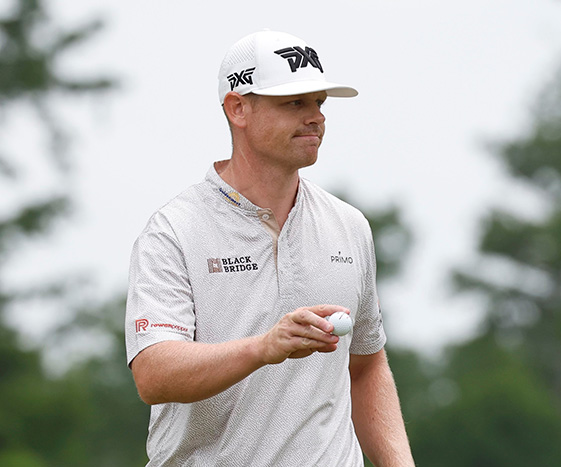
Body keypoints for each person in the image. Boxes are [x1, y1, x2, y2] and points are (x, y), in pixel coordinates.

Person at [124, 30, 415, 466]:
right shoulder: (173, 231)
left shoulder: (349, 226)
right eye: (294, 103)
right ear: (238, 108)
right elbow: (154, 374)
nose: (315, 117)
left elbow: (366, 365)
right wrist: (264, 347)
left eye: (319, 103)